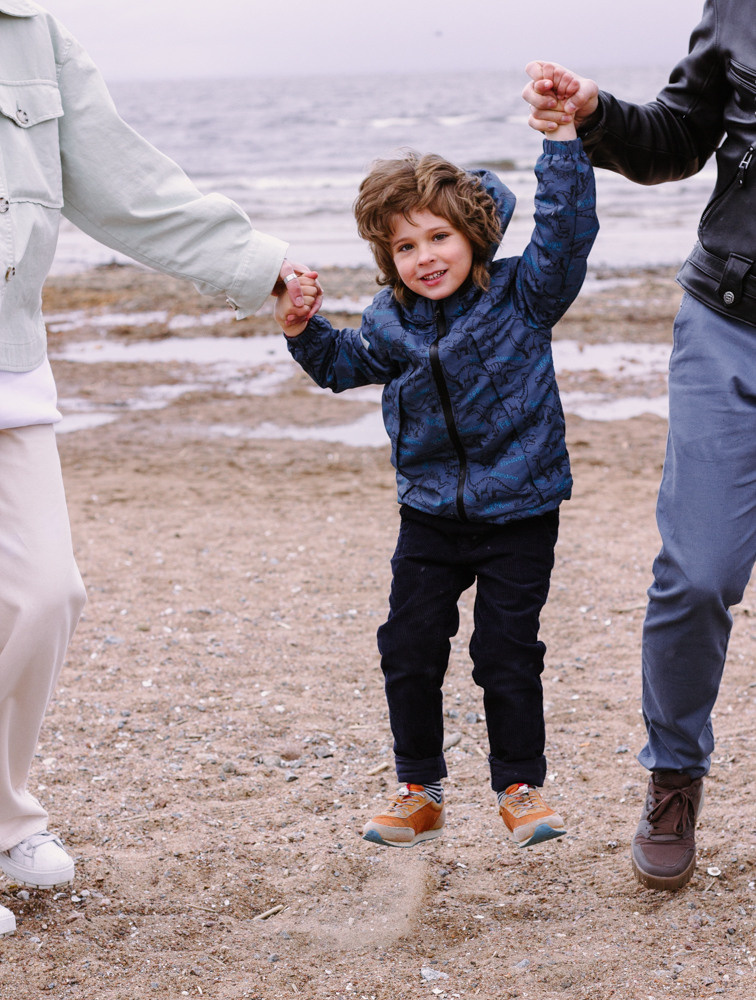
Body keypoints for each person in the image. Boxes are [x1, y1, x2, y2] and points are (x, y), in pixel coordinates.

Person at [0, 2, 315, 938]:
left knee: (47, 593)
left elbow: (124, 183)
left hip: (9, 361)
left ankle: (6, 812)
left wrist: (255, 264)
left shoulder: (30, 32)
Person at [273, 111, 598, 849]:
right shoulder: (391, 323)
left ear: (473, 236)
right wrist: (301, 326)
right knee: (408, 642)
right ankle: (418, 788)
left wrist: (562, 144)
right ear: (389, 259)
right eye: (406, 245)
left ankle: (520, 786)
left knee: (504, 651)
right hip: (429, 514)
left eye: (440, 237)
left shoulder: (524, 296)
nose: (426, 257)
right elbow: (339, 365)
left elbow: (568, 228)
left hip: (520, 509)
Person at [522, 0, 756, 891]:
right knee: (696, 574)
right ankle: (675, 776)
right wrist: (595, 115)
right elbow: (684, 133)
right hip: (731, 322)